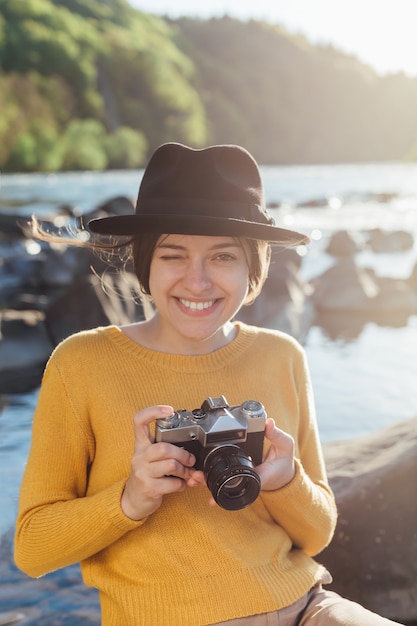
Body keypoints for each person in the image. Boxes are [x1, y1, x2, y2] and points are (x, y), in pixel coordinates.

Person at [14, 143, 403, 626]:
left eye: (222, 257)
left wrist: (283, 481)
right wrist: (130, 498)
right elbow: (32, 548)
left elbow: (317, 533)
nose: (197, 282)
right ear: (145, 265)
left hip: (308, 606)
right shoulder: (82, 363)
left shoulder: (282, 355)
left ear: (253, 269)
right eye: (173, 255)